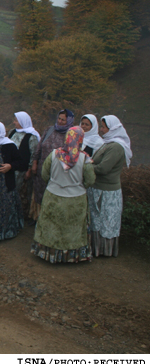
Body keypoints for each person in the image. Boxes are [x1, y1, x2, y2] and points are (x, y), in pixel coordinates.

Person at [31, 126, 95, 263]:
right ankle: (71, 256)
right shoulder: (85, 159)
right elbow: (90, 180)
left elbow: (44, 174)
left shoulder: (54, 154)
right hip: (76, 200)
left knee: (51, 226)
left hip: (53, 195)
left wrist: (55, 183)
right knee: (72, 229)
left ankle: (48, 253)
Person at [88, 115, 132, 257]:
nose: (101, 130)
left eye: (103, 127)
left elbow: (103, 168)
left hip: (106, 192)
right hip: (99, 188)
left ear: (112, 128)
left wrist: (86, 166)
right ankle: (95, 248)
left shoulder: (116, 147)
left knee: (104, 221)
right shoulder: (108, 143)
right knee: (97, 219)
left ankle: (103, 250)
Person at [30, 109, 74, 220]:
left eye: (63, 120)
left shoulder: (71, 134)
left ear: (69, 120)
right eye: (59, 118)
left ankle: (50, 217)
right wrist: (34, 163)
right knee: (39, 192)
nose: (60, 121)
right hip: (41, 168)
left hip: (57, 170)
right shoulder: (50, 130)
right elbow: (39, 147)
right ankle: (38, 217)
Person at [8, 112, 40, 216]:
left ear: (23, 122)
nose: (14, 122)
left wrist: (29, 170)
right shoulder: (12, 132)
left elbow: (34, 154)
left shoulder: (31, 136)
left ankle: (21, 213)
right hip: (10, 167)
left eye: (16, 120)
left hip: (22, 170)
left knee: (22, 192)